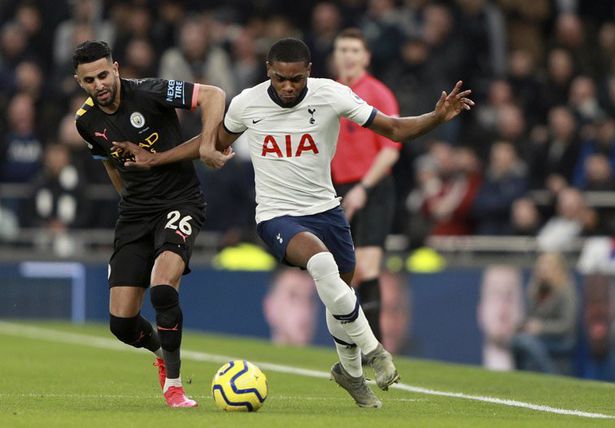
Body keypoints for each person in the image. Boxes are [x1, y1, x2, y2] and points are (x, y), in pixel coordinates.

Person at [118, 37, 474, 408]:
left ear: (308, 73)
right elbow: (211, 141)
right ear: (268, 73)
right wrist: (156, 159)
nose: (288, 87)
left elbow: (395, 129)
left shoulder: (332, 95)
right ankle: (374, 352)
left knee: (341, 293)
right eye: (279, 79)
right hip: (276, 215)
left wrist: (435, 117)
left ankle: (350, 374)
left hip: (327, 211)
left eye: (296, 80)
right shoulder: (247, 103)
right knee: (322, 265)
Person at [72, 40, 229, 408]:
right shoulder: (85, 121)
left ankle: (174, 385)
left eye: (103, 74)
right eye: (90, 79)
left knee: (162, 287)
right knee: (122, 325)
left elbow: (213, 95)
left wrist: (207, 143)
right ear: (80, 82)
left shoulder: (151, 91)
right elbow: (109, 161)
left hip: (180, 202)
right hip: (135, 213)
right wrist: (127, 200)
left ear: (116, 67)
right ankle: (161, 351)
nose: (99, 84)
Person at [330, 28, 401, 346]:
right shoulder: (328, 93)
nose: (347, 56)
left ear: (366, 57)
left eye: (354, 50)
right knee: (341, 270)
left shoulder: (376, 93)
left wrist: (364, 188)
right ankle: (354, 341)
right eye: (342, 49)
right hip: (336, 189)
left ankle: (377, 346)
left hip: (372, 188)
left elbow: (390, 148)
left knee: (368, 266)